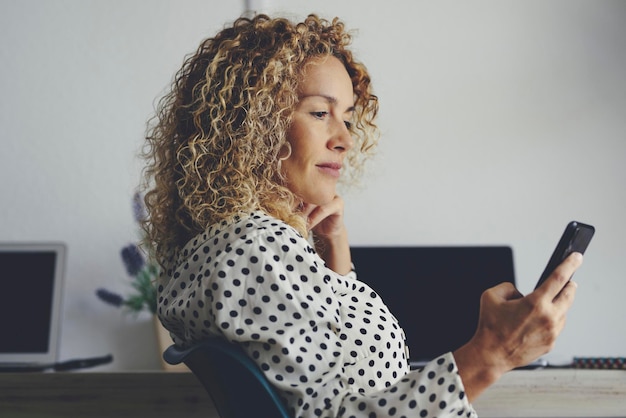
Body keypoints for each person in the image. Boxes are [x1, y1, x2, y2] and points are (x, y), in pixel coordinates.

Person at [141, 13, 581, 418]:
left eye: (348, 118)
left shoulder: (230, 247)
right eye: (319, 113)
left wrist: (335, 260)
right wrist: (493, 353)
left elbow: (333, 377)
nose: (345, 140)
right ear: (250, 124)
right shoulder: (254, 249)